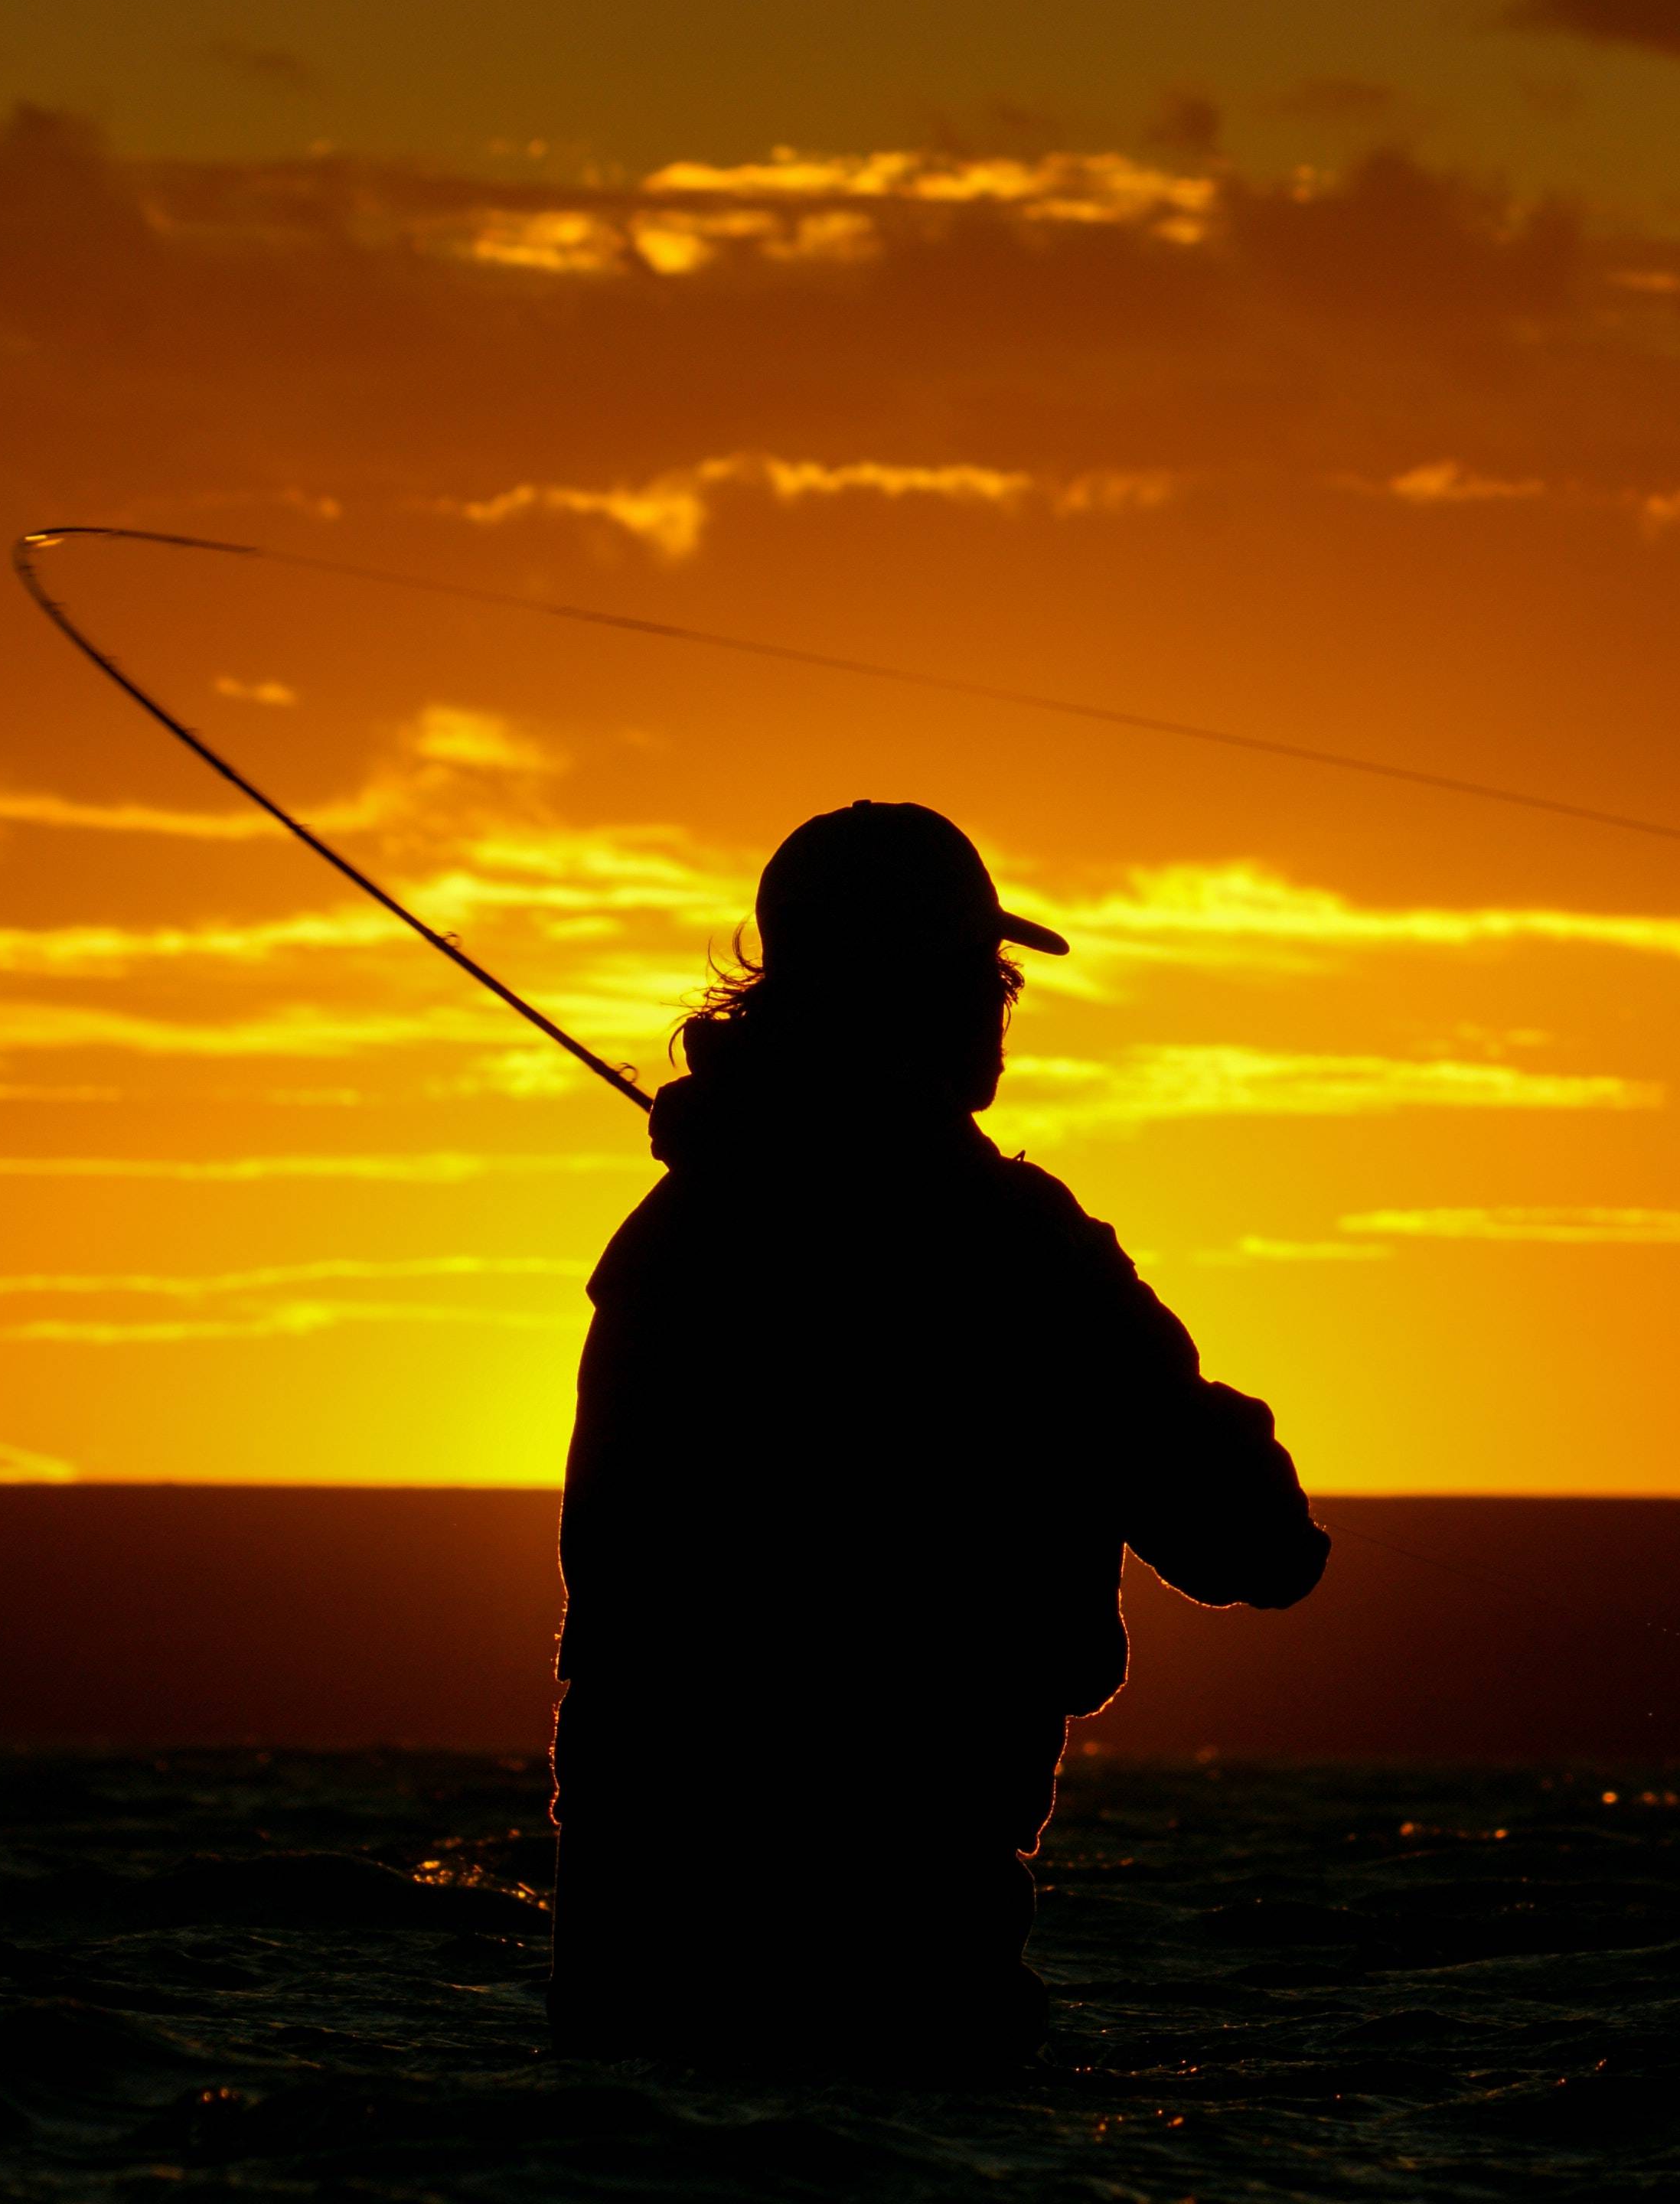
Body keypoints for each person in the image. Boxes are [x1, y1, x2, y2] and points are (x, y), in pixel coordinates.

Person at [548, 800, 1329, 2070]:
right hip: (895, 1914)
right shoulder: (1012, 1247)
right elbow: (1242, 1538)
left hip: (638, 1921)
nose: (1001, 1013)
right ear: (938, 994)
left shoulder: (670, 1240)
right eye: (989, 979)